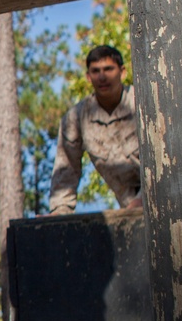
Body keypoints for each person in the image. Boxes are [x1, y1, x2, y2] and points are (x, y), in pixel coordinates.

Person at [48, 44, 142, 214]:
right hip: (130, 211)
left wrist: (143, 200)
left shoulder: (144, 103)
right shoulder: (76, 118)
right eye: (96, 71)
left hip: (170, 197)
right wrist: (59, 213)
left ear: (123, 72)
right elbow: (66, 170)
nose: (102, 77)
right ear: (88, 77)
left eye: (108, 69)